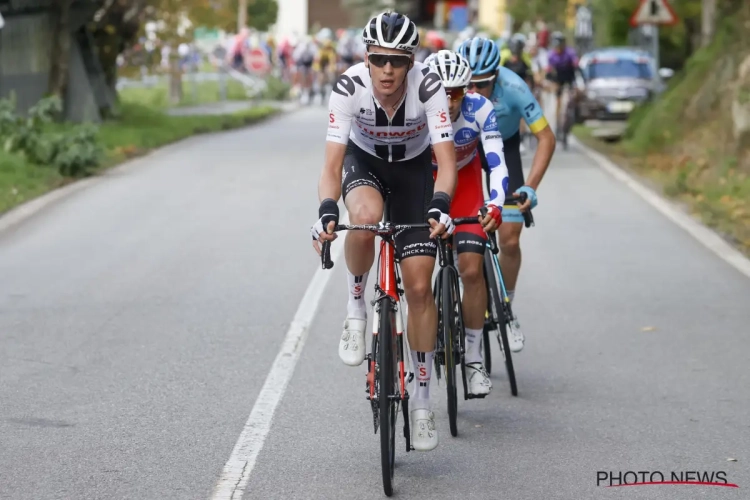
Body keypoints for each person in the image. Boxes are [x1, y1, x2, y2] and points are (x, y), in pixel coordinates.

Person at [311, 11, 458, 452]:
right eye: (379, 60)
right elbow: (332, 166)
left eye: (397, 60)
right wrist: (324, 211)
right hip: (366, 164)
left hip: (414, 174)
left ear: (411, 62)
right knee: (365, 218)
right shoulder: (348, 87)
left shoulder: (429, 88)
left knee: (418, 289)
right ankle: (356, 307)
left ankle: (423, 403)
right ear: (367, 59)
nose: (387, 70)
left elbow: (446, 163)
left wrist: (441, 205)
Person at [457, 37, 556, 352]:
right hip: (467, 152)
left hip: (504, 147)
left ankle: (507, 306)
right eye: (467, 84)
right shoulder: (449, 89)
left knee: (510, 239)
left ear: (496, 77)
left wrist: (531, 186)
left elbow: (546, 137)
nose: (473, 93)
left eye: (482, 85)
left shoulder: (514, 88)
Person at [424, 50, 509, 396]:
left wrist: (496, 204)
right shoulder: (416, 109)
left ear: (467, 90)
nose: (448, 99)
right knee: (417, 272)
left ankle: (474, 359)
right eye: (441, 91)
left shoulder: (480, 109)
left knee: (472, 270)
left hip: (467, 183)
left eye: (456, 91)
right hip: (425, 184)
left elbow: (496, 161)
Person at [546, 32, 579, 128]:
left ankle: (574, 114)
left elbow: (575, 63)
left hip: (569, 77)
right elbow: (549, 71)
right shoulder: (551, 55)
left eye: (560, 46)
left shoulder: (569, 52)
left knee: (573, 96)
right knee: (558, 99)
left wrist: (575, 62)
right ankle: (557, 121)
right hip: (558, 78)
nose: (558, 49)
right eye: (556, 46)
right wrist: (551, 83)